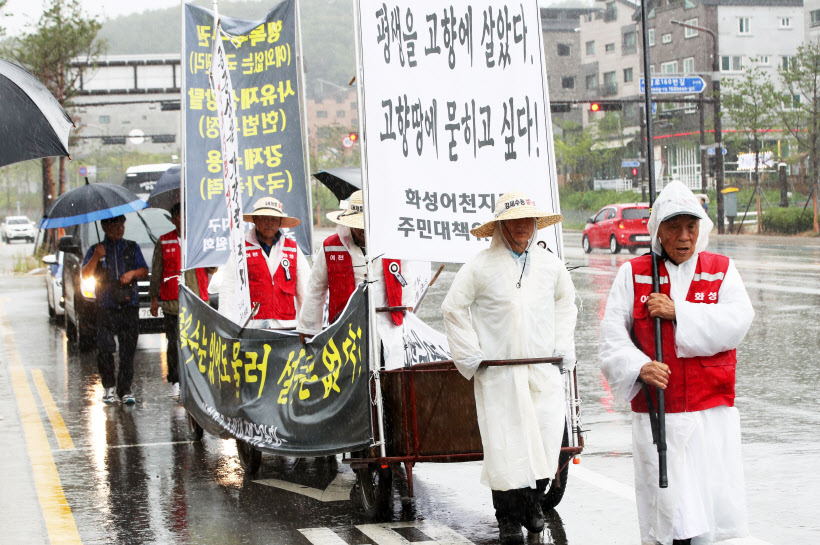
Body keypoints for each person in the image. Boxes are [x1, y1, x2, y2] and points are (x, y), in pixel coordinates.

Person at [598, 181, 754, 545]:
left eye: (691, 226)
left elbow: (737, 322)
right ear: (657, 230)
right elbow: (611, 338)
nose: (684, 236)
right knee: (668, 512)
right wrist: (639, 367)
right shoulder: (634, 274)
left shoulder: (721, 269)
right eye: (673, 226)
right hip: (659, 414)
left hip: (709, 414)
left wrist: (678, 311)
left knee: (707, 513)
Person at [440, 191, 577, 544]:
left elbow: (567, 303)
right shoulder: (479, 267)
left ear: (535, 225)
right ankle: (506, 517)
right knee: (505, 449)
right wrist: (473, 356)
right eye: (513, 221)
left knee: (544, 443)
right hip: (499, 373)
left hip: (542, 371)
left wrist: (563, 346)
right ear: (500, 226)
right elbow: (453, 308)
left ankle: (533, 505)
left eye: (527, 221)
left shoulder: (551, 266)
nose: (521, 227)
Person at [297, 190, 422, 368]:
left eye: (367, 225)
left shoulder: (393, 244)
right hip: (344, 328)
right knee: (349, 373)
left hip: (386, 326)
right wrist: (308, 327)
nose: (363, 230)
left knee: (388, 371)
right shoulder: (331, 246)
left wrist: (409, 319)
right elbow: (315, 289)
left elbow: (406, 283)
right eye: (358, 225)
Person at [81, 215, 149, 404]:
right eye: (115, 225)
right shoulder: (97, 250)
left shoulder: (132, 246)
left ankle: (125, 389)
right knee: (105, 349)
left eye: (122, 225)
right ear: (104, 227)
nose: (120, 229)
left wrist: (132, 274)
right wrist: (96, 256)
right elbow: (85, 274)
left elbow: (144, 270)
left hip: (129, 307)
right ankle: (108, 387)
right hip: (106, 307)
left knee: (128, 351)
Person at [149, 203, 212, 399]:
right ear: (173, 219)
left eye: (185, 216)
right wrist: (153, 299)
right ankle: (176, 381)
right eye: (178, 217)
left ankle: (197, 380)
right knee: (174, 344)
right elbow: (157, 270)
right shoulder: (164, 241)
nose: (182, 220)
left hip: (197, 301)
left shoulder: (199, 239)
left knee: (197, 343)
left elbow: (212, 268)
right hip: (172, 304)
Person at [218, 197, 310, 329]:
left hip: (287, 326)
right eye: (264, 218)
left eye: (273, 219)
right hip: (252, 327)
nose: (269, 223)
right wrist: (226, 326)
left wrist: (308, 326)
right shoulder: (242, 248)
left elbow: (305, 290)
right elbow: (229, 288)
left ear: (280, 222)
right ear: (255, 220)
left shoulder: (293, 248)